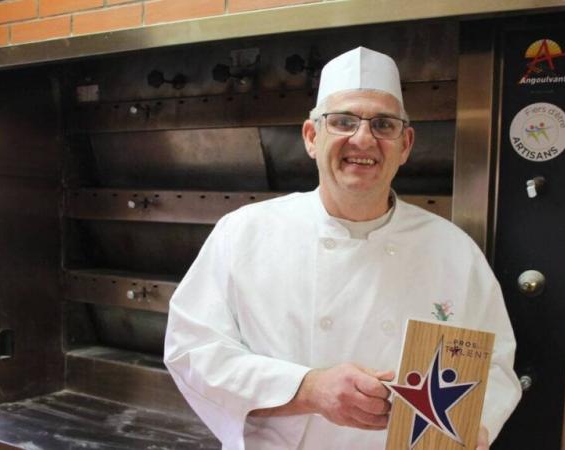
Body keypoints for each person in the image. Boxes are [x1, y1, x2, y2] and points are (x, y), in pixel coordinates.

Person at [164, 46, 521, 450]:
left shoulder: (454, 251)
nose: (363, 138)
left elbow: (495, 366)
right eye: (343, 121)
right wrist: (308, 388)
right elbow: (192, 351)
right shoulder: (244, 233)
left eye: (383, 125)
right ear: (312, 137)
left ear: (405, 145)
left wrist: (477, 426)